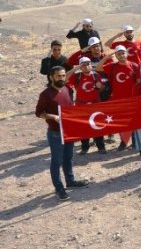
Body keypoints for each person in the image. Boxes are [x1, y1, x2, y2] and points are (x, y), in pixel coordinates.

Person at [36, 66, 90, 201]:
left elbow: (70, 107)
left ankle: (70, 181)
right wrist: (53, 117)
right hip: (55, 132)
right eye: (58, 76)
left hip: (68, 130)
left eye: (63, 75)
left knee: (68, 157)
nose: (62, 78)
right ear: (51, 77)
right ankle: (59, 188)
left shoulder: (67, 89)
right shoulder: (46, 94)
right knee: (56, 161)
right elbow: (39, 113)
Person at [95, 45, 139, 150]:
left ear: (126, 54)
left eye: (123, 53)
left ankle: (134, 142)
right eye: (118, 53)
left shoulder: (134, 66)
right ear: (116, 55)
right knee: (121, 122)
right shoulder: (112, 66)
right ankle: (123, 142)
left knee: (133, 121)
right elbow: (98, 68)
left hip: (131, 99)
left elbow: (138, 82)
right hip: (118, 99)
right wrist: (106, 57)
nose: (121, 55)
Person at [66, 57, 106, 154]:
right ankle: (85, 147)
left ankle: (101, 146)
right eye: (83, 64)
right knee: (83, 126)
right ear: (80, 66)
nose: (86, 66)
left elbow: (102, 88)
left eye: (88, 63)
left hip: (95, 104)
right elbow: (65, 77)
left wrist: (100, 87)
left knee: (97, 125)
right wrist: (75, 69)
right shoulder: (77, 76)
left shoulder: (96, 75)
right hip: (81, 105)